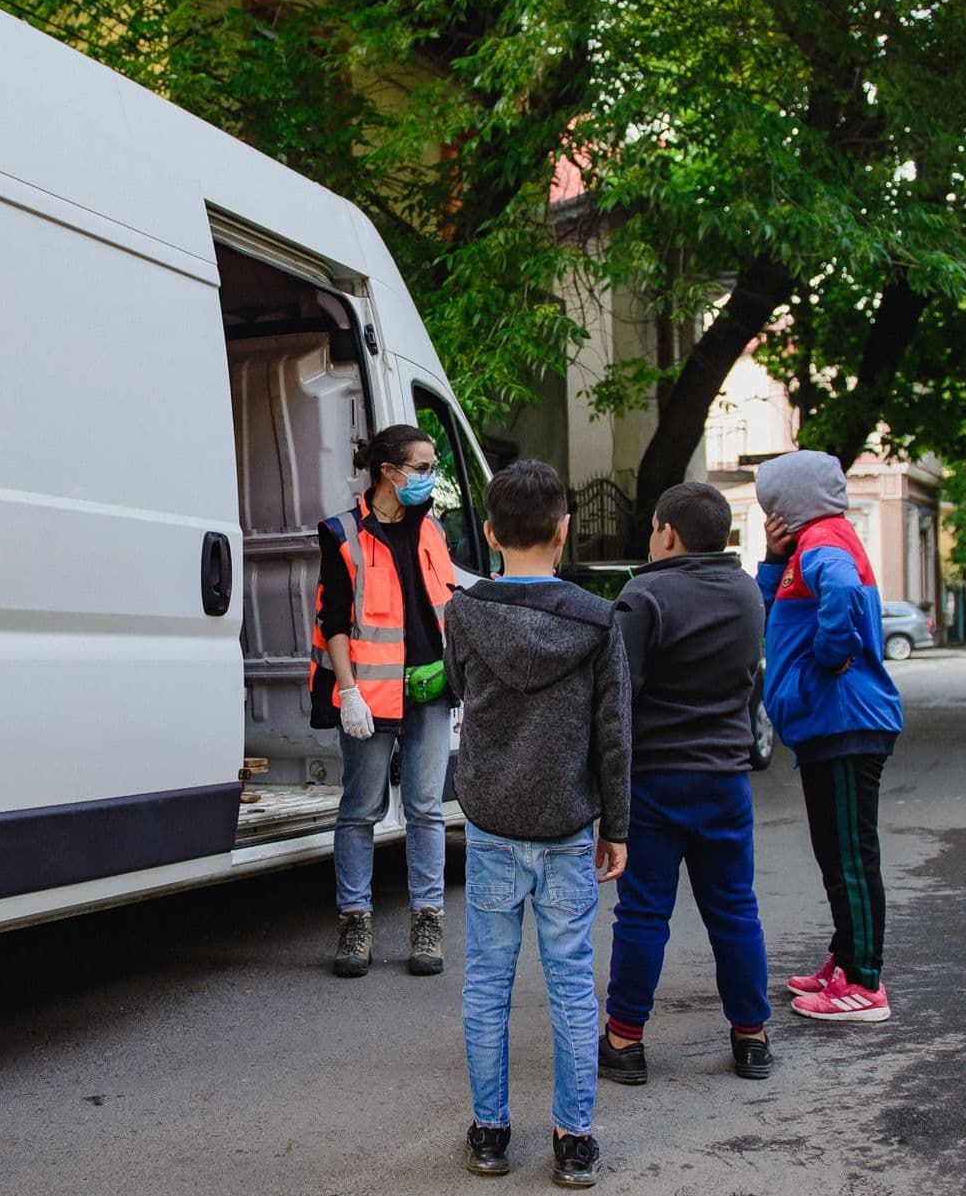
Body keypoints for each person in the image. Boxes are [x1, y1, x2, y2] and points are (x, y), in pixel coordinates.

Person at [442, 460, 629, 1189]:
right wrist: (617, 822)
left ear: (489, 532)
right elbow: (614, 729)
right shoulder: (597, 619)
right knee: (572, 985)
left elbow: (461, 688)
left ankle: (491, 1132)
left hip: (491, 818)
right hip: (566, 822)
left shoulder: (464, 612)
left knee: (487, 981)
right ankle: (574, 1139)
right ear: (564, 529)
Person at [598, 482, 773, 1089]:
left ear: (667, 532)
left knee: (644, 913)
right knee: (734, 909)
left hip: (655, 780)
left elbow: (618, 697)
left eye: (652, 527)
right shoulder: (747, 592)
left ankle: (625, 1041)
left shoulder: (646, 593)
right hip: (725, 778)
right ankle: (752, 1036)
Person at [755, 450, 904, 1023]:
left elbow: (838, 593)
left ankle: (863, 983)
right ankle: (846, 961)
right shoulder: (812, 542)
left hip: (844, 721)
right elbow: (776, 611)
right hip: (829, 724)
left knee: (850, 856)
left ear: (792, 503)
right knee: (835, 851)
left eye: (773, 502)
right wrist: (774, 556)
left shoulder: (824, 543)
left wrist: (830, 652)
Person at [309, 424, 457, 978]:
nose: (430, 476)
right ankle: (354, 922)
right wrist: (347, 692)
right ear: (389, 473)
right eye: (422, 467)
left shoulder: (432, 528)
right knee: (361, 809)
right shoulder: (343, 533)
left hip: (432, 689)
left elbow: (447, 604)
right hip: (369, 694)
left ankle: (427, 921)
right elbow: (333, 621)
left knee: (425, 808)